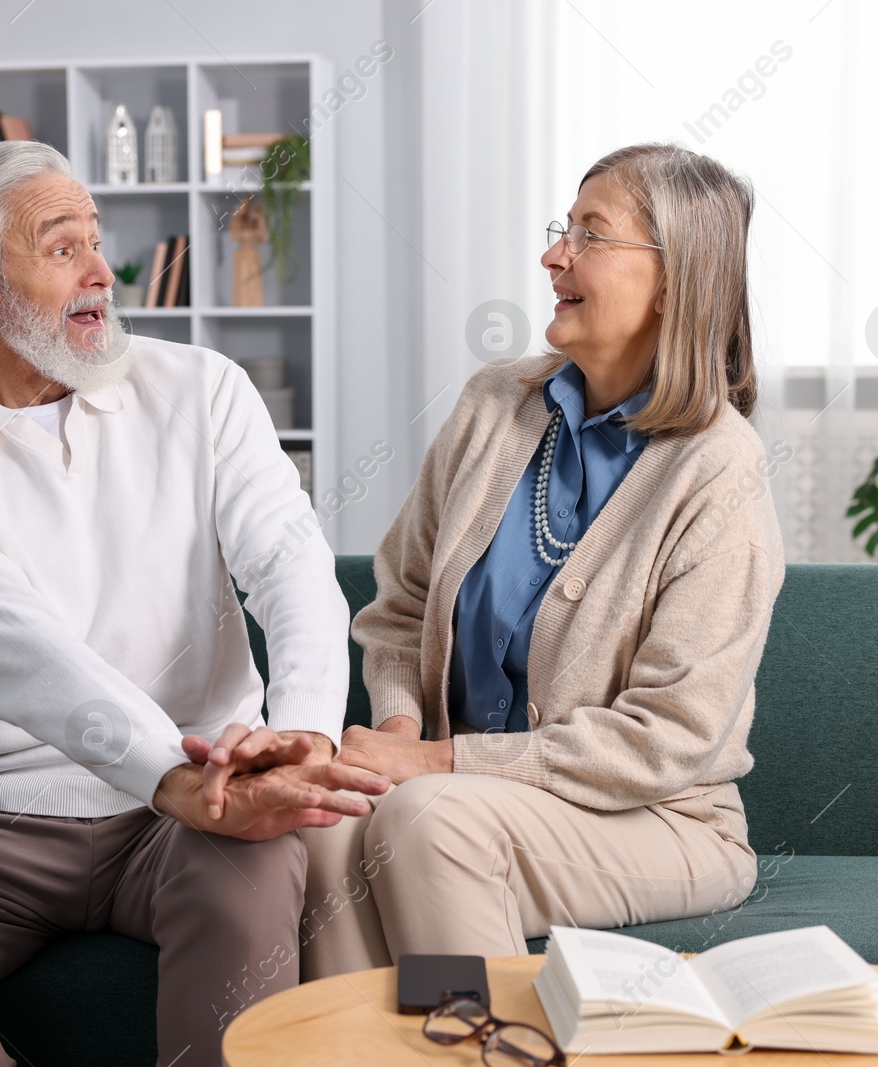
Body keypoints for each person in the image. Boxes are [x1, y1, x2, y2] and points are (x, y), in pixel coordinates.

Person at [0, 140, 388, 1067]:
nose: (103, 270)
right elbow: (26, 658)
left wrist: (303, 730)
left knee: (246, 892)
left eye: (97, 241)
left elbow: (292, 565)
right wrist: (169, 775)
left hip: (204, 798)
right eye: (63, 247)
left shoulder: (204, 390)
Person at [300, 143, 786, 979]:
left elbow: (666, 738)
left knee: (431, 821)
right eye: (565, 227)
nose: (554, 253)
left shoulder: (719, 469)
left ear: (673, 281)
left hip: (658, 816)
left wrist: (438, 762)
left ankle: (481, 1041)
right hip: (455, 793)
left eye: (592, 235)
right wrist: (397, 733)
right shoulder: (498, 404)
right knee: (330, 825)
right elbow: (402, 606)